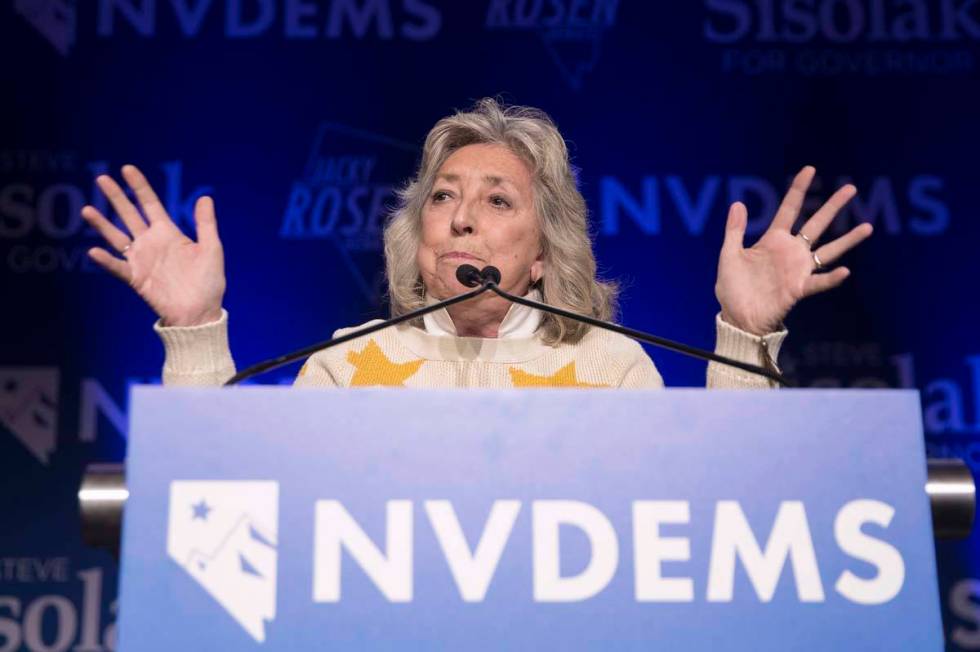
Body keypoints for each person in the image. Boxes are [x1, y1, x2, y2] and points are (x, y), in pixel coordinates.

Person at [80, 99, 872, 389]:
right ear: (417, 233)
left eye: (498, 200)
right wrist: (192, 334)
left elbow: (721, 511)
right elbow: (228, 504)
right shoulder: (346, 367)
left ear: (541, 254)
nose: (461, 218)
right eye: (443, 199)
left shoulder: (610, 367)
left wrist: (746, 335)